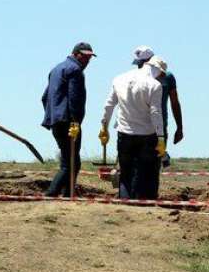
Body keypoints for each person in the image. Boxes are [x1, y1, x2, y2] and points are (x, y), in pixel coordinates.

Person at [100, 55, 166, 199]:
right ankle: (138, 205)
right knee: (142, 172)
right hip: (147, 136)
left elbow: (109, 105)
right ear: (157, 70)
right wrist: (161, 137)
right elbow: (155, 113)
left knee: (125, 173)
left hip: (124, 133)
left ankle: (125, 203)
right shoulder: (154, 85)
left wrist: (104, 126)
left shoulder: (119, 79)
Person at [41, 42, 96, 197]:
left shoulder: (56, 69)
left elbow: (45, 97)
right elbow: (75, 100)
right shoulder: (75, 70)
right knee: (70, 163)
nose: (87, 61)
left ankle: (67, 194)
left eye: (89, 58)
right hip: (69, 122)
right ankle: (52, 193)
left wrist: (51, 117)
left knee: (70, 161)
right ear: (76, 53)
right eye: (84, 57)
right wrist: (75, 122)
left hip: (56, 121)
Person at [131, 46, 184, 146]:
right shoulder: (133, 78)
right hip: (137, 128)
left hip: (159, 128)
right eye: (138, 64)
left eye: (142, 63)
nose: (140, 67)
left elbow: (175, 103)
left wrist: (179, 128)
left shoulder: (167, 77)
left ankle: (163, 159)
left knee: (156, 158)